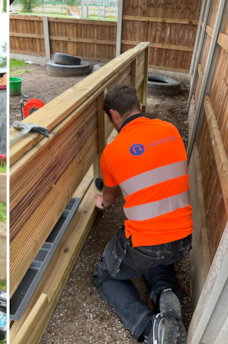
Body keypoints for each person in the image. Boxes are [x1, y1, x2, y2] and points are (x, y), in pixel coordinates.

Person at [93, 83, 192, 344]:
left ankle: (151, 329)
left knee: (105, 275)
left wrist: (101, 203)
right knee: (158, 258)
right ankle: (166, 291)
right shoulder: (170, 130)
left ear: (114, 114)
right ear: (138, 107)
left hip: (149, 245)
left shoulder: (112, 152)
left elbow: (110, 198)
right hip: (183, 239)